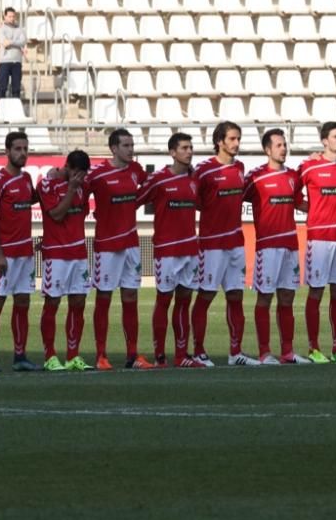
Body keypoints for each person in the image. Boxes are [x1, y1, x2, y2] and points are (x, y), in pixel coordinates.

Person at [191, 121, 262, 367]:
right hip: (211, 244)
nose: (236, 144)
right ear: (219, 141)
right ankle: (199, 351)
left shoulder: (240, 167)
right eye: (231, 139)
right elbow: (194, 200)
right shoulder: (204, 170)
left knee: (235, 296)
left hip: (236, 243)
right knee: (206, 296)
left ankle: (236, 353)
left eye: (238, 139)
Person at [136, 132, 203, 368]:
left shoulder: (195, 179)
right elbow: (135, 200)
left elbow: (204, 205)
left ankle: (181, 355)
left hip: (190, 249)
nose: (189, 151)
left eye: (191, 147)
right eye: (184, 148)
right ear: (172, 152)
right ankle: (160, 355)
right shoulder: (159, 179)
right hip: (166, 250)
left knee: (184, 301)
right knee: (164, 300)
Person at [86, 129, 152, 370]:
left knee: (131, 297)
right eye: (126, 145)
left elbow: (148, 191)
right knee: (104, 297)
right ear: (113, 148)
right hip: (107, 246)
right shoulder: (98, 173)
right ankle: (100, 355)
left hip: (131, 244)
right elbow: (80, 191)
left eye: (132, 145)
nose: (131, 149)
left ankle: (133, 355)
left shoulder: (136, 171)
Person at [297, 121, 336, 364]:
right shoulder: (309, 166)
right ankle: (314, 348)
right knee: (316, 291)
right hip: (319, 240)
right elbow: (293, 195)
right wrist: (312, 210)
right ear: (325, 141)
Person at [244, 129, 310, 364]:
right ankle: (264, 353)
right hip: (267, 247)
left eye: (285, 144)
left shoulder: (293, 176)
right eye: (279, 145)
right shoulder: (255, 177)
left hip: (290, 246)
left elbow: (299, 202)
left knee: (287, 298)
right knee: (264, 298)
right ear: (267, 150)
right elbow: (234, 197)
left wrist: (320, 207)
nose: (284, 148)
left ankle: (288, 352)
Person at [0, 130, 38, 372]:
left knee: (23, 301)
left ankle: (20, 356)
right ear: (7, 151)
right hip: (5, 255)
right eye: (17, 149)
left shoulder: (26, 179)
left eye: (25, 149)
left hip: (25, 253)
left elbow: (34, 200)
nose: (22, 153)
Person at [36, 150, 93, 372]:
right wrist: (71, 189)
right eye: (77, 173)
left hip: (78, 254)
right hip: (56, 255)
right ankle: (50, 356)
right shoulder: (47, 186)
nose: (81, 178)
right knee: (52, 304)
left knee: (78, 303)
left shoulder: (84, 185)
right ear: (67, 167)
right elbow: (57, 215)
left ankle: (73, 355)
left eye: (83, 175)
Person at [0, 7, 27, 98]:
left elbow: (23, 41)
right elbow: (4, 43)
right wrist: (16, 42)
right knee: (2, 88)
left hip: (17, 61)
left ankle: (15, 110)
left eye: (13, 16)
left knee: (16, 89)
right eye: (9, 16)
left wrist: (11, 42)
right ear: (5, 16)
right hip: (5, 61)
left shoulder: (20, 28)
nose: (12, 18)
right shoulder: (1, 28)